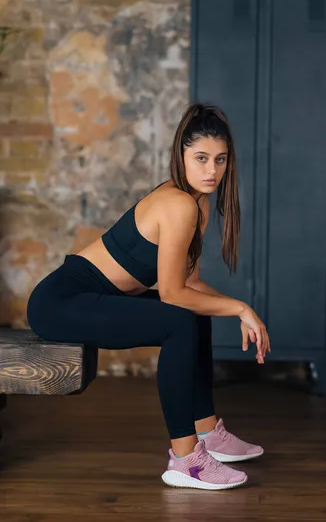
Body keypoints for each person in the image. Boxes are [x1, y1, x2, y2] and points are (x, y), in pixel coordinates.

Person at [27, 102, 271, 491]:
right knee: (178, 319)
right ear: (181, 157)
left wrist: (235, 310)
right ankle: (185, 460)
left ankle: (207, 433)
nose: (212, 171)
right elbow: (173, 294)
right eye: (202, 158)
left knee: (194, 314)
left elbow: (188, 286)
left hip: (94, 300)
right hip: (60, 303)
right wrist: (240, 307)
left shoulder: (198, 203)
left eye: (221, 160)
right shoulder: (177, 204)